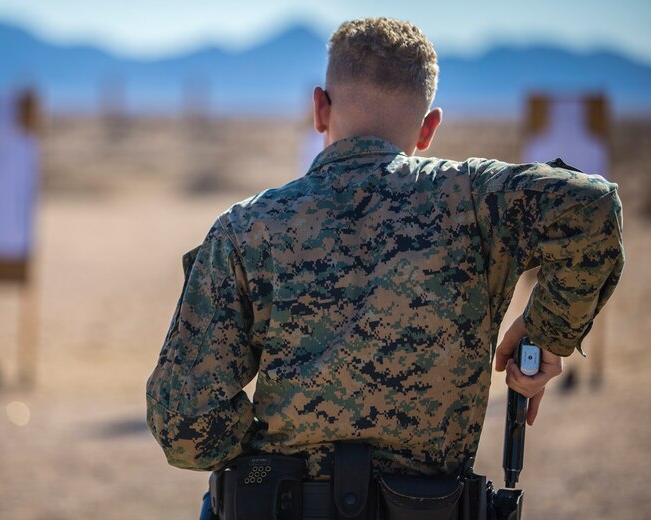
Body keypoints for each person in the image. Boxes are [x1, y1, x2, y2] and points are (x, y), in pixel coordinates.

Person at [146, 16, 624, 515]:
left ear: (319, 108)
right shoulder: (472, 199)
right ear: (429, 128)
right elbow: (590, 206)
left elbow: (184, 424)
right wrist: (545, 332)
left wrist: (266, 460)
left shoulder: (247, 227)